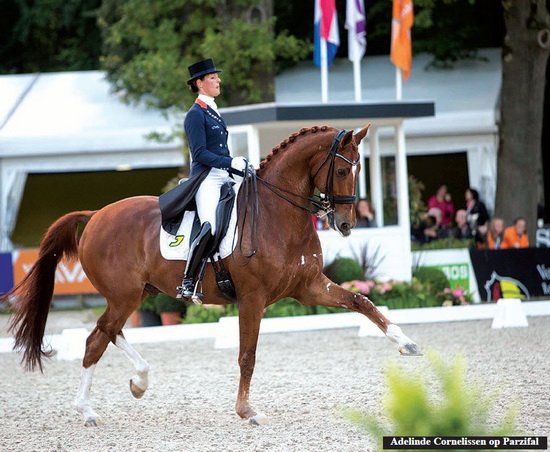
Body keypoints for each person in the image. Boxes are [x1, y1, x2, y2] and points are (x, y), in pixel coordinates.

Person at [177, 58, 248, 299]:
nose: (218, 80)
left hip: (223, 175)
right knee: (210, 225)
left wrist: (241, 167)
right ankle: (188, 280)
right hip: (206, 178)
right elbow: (200, 154)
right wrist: (230, 162)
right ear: (199, 83)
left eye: (217, 77)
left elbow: (220, 149)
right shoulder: (195, 115)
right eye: (212, 78)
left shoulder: (213, 110)